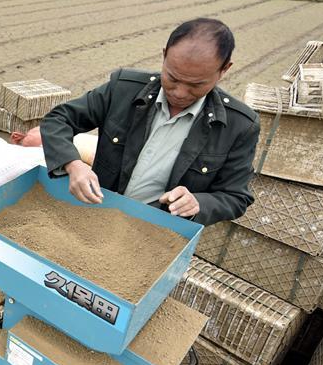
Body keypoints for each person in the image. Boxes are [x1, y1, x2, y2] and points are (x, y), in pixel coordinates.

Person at [41, 18, 260, 226]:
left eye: (196, 85)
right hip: (96, 214)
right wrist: (74, 164)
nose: (180, 92)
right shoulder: (123, 89)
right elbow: (58, 119)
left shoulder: (239, 125)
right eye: (172, 78)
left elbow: (235, 197)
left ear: (224, 70)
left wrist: (198, 203)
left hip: (155, 234)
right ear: (164, 55)